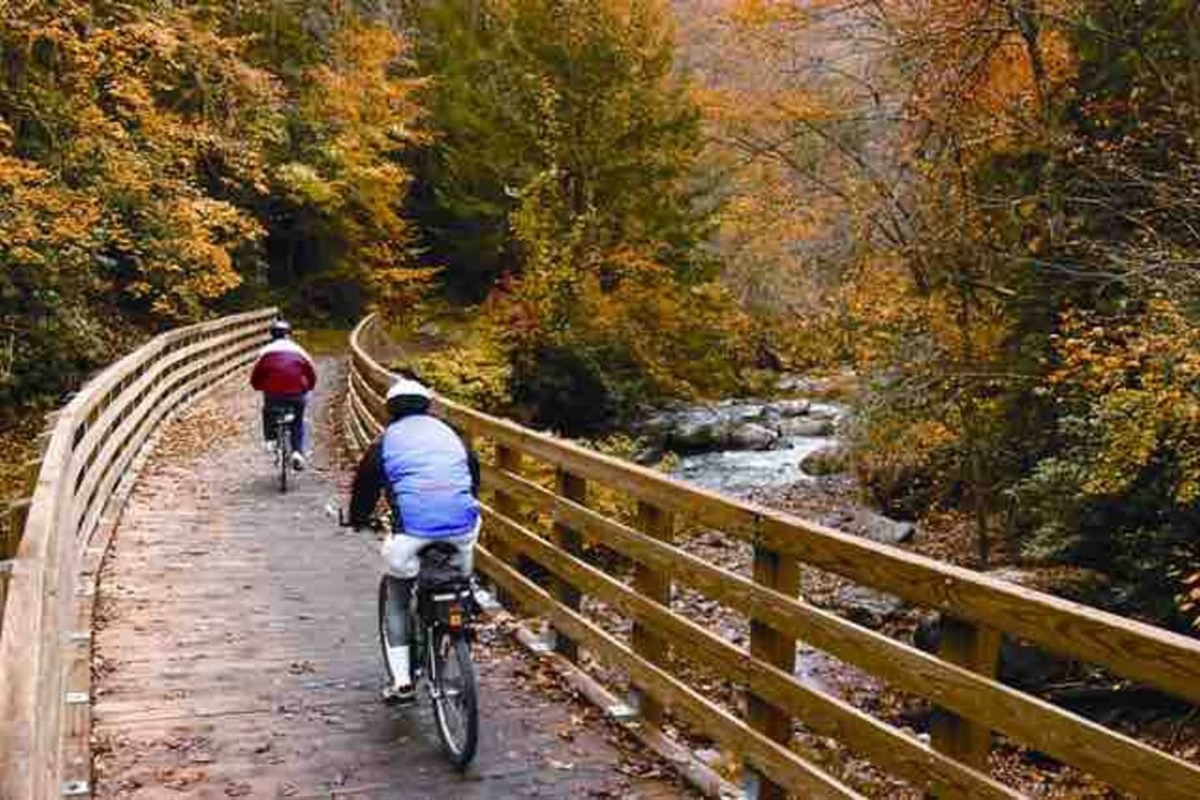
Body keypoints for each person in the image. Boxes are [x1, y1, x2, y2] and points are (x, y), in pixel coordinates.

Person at [349, 377, 481, 703]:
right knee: (460, 578)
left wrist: (358, 520)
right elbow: (472, 477)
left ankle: (402, 682)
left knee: (397, 592)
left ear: (390, 410)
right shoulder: (453, 436)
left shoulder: (385, 443)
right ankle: (465, 612)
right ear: (427, 406)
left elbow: (365, 489)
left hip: (413, 532)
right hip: (462, 525)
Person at [250, 319, 317, 471]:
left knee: (267, 411)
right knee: (298, 421)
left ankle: (270, 440)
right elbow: (311, 372)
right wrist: (309, 386)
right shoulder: (299, 350)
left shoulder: (265, 351)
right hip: (297, 394)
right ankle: (297, 452)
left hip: (273, 394)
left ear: (271, 335)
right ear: (289, 335)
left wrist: (257, 386)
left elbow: (256, 374)